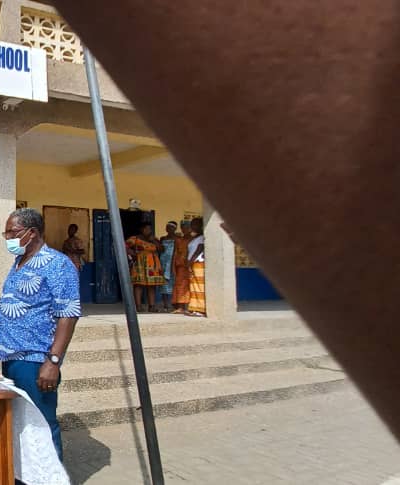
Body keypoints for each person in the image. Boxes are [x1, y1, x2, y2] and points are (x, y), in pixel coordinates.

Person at [49, 0, 400, 437]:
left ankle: (162, 307)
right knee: (140, 288)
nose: (176, 230)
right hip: (145, 267)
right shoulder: (135, 243)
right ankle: (142, 306)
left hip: (160, 267)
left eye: (181, 228)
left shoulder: (159, 241)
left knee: (158, 287)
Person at [0, 208, 80, 461]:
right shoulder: (19, 262)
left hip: (36, 360)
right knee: (20, 424)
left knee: (41, 424)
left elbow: (68, 313)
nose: (7, 238)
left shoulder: (58, 264)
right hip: (11, 357)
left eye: (11, 232)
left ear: (31, 232)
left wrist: (53, 362)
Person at [126, 224, 165, 313]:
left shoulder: (154, 239)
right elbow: (124, 245)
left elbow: (162, 249)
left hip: (153, 266)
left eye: (150, 229)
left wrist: (154, 241)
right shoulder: (135, 239)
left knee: (152, 286)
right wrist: (131, 253)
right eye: (146, 229)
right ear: (141, 229)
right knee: (138, 285)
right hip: (140, 264)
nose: (149, 231)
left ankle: (151, 306)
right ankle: (138, 306)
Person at [187, 217, 206, 317]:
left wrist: (189, 262)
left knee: (199, 286)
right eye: (192, 224)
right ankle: (195, 308)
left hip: (198, 263)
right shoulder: (195, 238)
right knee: (194, 286)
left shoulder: (202, 237)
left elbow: (198, 250)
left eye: (194, 224)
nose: (192, 227)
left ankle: (201, 309)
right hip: (194, 264)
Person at [171, 220, 192, 313]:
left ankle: (189, 306)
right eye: (183, 228)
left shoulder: (194, 240)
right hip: (180, 266)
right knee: (179, 285)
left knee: (191, 286)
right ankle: (180, 307)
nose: (184, 230)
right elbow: (175, 253)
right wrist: (173, 266)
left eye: (186, 228)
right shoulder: (179, 240)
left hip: (190, 266)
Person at [159, 221, 179, 313]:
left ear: (175, 228)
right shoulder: (162, 238)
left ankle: (174, 304)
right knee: (163, 284)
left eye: (170, 227)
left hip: (172, 261)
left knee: (173, 283)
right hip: (163, 261)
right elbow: (160, 250)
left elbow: (176, 252)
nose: (168, 229)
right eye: (167, 227)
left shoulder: (178, 238)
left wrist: (173, 264)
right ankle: (165, 304)